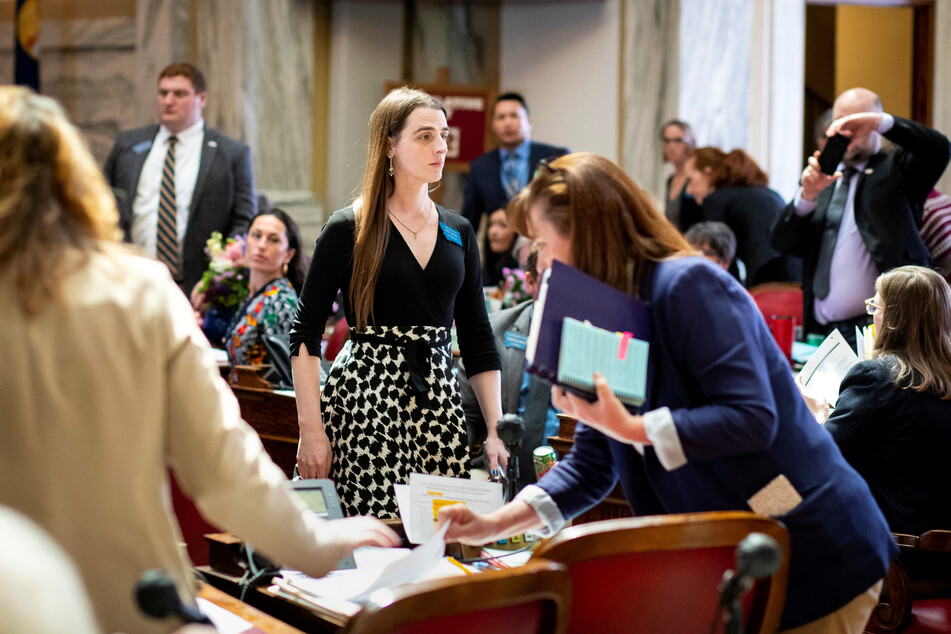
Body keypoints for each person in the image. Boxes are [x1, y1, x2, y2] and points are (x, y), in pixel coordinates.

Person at [438, 152, 896, 633]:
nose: (542, 262)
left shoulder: (688, 284)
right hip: (733, 557)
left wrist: (633, 428)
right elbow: (590, 466)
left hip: (814, 540)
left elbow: (752, 417)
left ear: (590, 234)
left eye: (545, 243)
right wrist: (498, 524)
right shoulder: (600, 316)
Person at [0, 87, 398, 634]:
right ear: (76, 181)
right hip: (131, 597)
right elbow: (222, 462)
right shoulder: (140, 291)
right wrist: (312, 543)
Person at [290, 87, 508, 518]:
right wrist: (310, 430)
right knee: (372, 529)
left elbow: (479, 338)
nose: (441, 147)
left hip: (439, 401)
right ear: (390, 144)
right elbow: (306, 333)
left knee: (439, 534)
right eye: (425, 136)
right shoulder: (348, 227)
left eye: (444, 136)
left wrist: (496, 429)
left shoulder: (459, 231)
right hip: (365, 397)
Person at [771, 87, 949, 348]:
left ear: (876, 123)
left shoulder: (899, 167)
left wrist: (883, 123)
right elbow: (780, 243)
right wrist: (806, 197)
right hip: (821, 331)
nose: (846, 131)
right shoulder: (824, 178)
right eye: (839, 123)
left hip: (884, 331)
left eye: (856, 123)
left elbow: (939, 148)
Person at [104, 62, 257, 292]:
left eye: (179, 93)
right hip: (130, 282)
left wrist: (219, 273)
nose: (168, 100)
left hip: (199, 288)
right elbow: (103, 203)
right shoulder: (128, 145)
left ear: (201, 99)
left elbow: (244, 219)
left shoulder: (231, 153)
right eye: (163, 92)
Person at [825, 266, 951, 536]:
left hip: (894, 548)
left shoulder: (875, 376)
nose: (873, 319)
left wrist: (816, 411)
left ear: (894, 318)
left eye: (875, 308)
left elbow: (824, 456)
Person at [460, 243, 557, 492]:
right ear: (531, 282)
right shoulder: (495, 331)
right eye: (550, 278)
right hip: (500, 470)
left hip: (567, 473)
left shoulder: (591, 336)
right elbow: (465, 415)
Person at [686, 146, 795, 286]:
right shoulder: (767, 193)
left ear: (707, 171)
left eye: (691, 180)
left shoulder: (715, 200)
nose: (689, 190)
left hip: (765, 279)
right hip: (796, 276)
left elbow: (722, 256)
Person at [462, 92, 568, 232]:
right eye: (501, 117)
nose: (507, 123)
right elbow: (470, 220)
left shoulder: (555, 157)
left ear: (528, 121)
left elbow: (567, 209)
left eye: (514, 116)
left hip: (545, 243)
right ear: (492, 125)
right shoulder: (480, 166)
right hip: (498, 249)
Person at [226, 207, 307, 368]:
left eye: (273, 239)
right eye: (256, 235)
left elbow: (283, 370)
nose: (262, 245)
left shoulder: (281, 301)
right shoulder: (257, 294)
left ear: (288, 254)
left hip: (264, 392)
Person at [659, 119, 702, 231]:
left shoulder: (695, 179)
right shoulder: (670, 180)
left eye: (678, 140)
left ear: (690, 143)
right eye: (667, 141)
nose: (671, 146)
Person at [482, 207, 528, 287]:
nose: (493, 231)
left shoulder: (521, 272)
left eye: (502, 225)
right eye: (490, 224)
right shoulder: (485, 269)